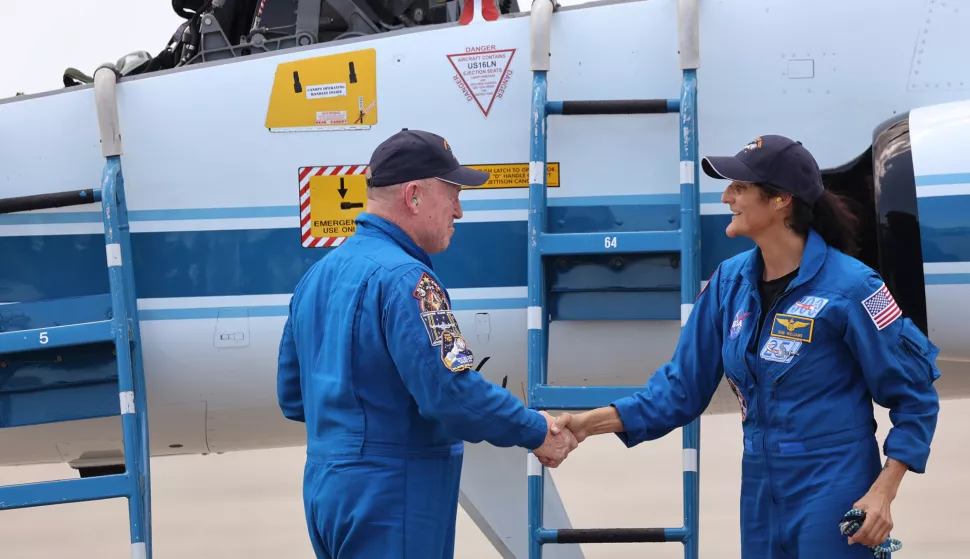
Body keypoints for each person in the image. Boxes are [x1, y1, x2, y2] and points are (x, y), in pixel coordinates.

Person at [550, 135, 942, 558]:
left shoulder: (853, 287)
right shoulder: (728, 283)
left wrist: (884, 492)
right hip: (759, 486)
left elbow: (916, 396)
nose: (726, 196)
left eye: (739, 187)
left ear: (780, 200)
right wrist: (589, 423)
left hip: (835, 484)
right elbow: (680, 389)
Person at [276, 128, 578, 559]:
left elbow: (293, 397)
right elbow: (451, 392)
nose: (459, 210)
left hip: (328, 493)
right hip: (393, 495)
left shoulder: (316, 277)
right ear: (414, 196)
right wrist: (533, 429)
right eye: (452, 194)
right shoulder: (409, 281)